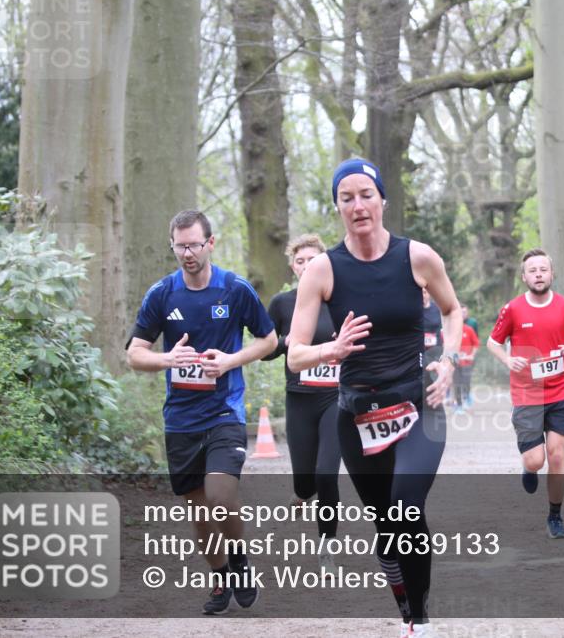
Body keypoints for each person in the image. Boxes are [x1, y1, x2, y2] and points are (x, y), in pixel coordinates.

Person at [287, 158, 461, 638]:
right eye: (347, 198)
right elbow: (295, 355)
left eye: (366, 194)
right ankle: (407, 609)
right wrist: (332, 349)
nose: (358, 205)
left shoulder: (418, 257)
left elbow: (452, 310)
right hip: (357, 415)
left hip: (418, 404)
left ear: (382, 198)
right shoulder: (322, 270)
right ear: (337, 207)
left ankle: (420, 623)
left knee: (406, 506)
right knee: (387, 528)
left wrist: (448, 360)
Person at [126, 209, 277, 614]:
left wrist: (231, 361)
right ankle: (220, 577)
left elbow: (269, 340)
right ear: (172, 246)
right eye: (180, 246)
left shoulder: (235, 289)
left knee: (220, 495)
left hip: (224, 411)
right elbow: (134, 354)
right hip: (180, 419)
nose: (188, 253)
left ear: (210, 243)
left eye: (194, 245)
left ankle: (240, 563)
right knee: (199, 510)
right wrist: (167, 359)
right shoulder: (162, 294)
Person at [486, 248, 564, 539]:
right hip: (526, 394)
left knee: (557, 456)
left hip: (561, 391)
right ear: (524, 277)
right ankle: (529, 467)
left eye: (543, 269)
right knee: (536, 460)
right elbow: (493, 343)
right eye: (532, 270)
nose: (538, 275)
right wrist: (508, 359)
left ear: (552, 274)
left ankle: (555, 516)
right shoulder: (512, 309)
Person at [263, 233, 342, 577]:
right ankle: (300, 494)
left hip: (335, 398)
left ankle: (327, 550)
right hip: (299, 399)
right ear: (292, 267)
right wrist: (287, 342)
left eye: (312, 260)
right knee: (306, 482)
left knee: (327, 475)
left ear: (324, 263)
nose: (307, 266)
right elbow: (264, 350)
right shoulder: (283, 304)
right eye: (300, 261)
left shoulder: (341, 299)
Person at [453, 313, 479, 412]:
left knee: (466, 382)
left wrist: (472, 355)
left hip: (467, 363)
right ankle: (459, 405)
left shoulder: (469, 329)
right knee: (456, 383)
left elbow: (476, 343)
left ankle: (467, 396)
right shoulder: (451, 331)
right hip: (454, 363)